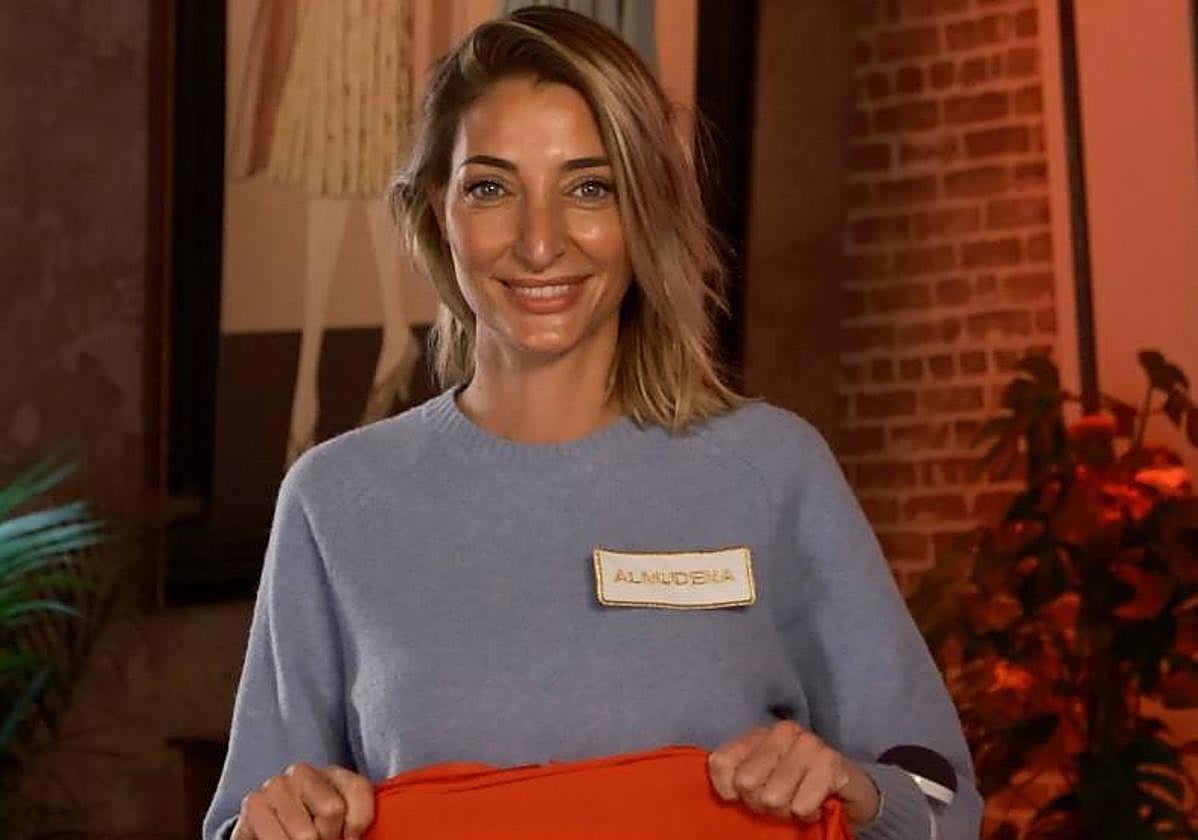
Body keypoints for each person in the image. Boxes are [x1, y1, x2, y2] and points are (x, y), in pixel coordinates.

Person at [202, 7, 983, 840]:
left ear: (645, 208)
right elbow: (246, 821)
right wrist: (274, 824)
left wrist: (858, 793)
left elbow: (944, 802)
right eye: (491, 188)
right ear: (437, 210)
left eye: (589, 187)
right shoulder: (337, 499)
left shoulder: (772, 470)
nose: (540, 243)